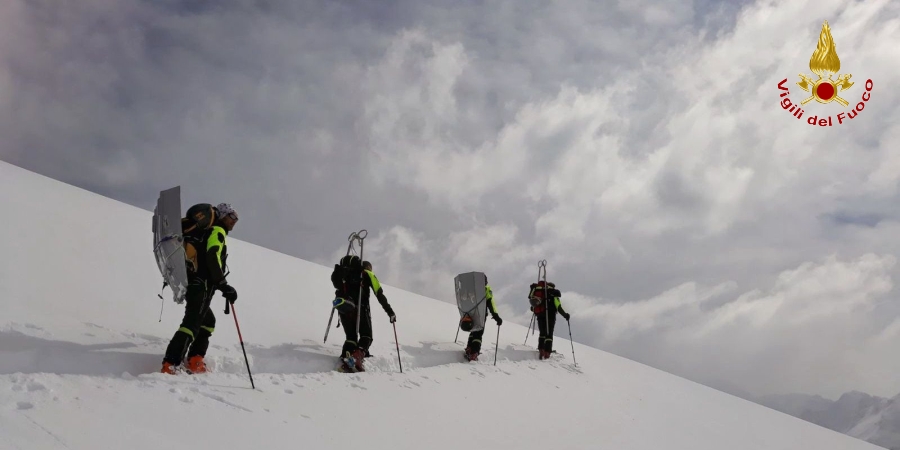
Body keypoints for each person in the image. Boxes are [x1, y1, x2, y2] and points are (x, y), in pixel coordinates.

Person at [161, 203, 239, 374]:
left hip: (194, 282)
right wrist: (223, 285)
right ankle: (171, 363)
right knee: (191, 324)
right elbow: (212, 255)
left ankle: (195, 359)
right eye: (232, 216)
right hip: (202, 284)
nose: (235, 220)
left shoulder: (206, 232)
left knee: (207, 322)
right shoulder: (217, 231)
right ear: (222, 216)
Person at [330, 257, 396, 372]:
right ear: (368, 267)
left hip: (344, 307)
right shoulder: (367, 274)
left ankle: (347, 356)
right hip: (360, 309)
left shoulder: (346, 274)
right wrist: (390, 312)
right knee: (366, 336)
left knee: (351, 337)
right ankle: (356, 357)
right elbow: (379, 294)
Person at [464, 275, 502, 361]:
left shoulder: (471, 289)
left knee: (473, 331)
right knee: (478, 333)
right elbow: (491, 304)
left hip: (470, 313)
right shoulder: (486, 289)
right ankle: (474, 353)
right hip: (481, 314)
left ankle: (469, 348)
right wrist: (496, 317)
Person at [530, 282, 570, 360]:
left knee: (542, 333)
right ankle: (547, 352)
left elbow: (532, 307)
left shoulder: (541, 293)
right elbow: (558, 307)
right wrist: (565, 315)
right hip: (550, 316)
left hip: (540, 315)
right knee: (549, 334)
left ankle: (541, 349)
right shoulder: (554, 294)